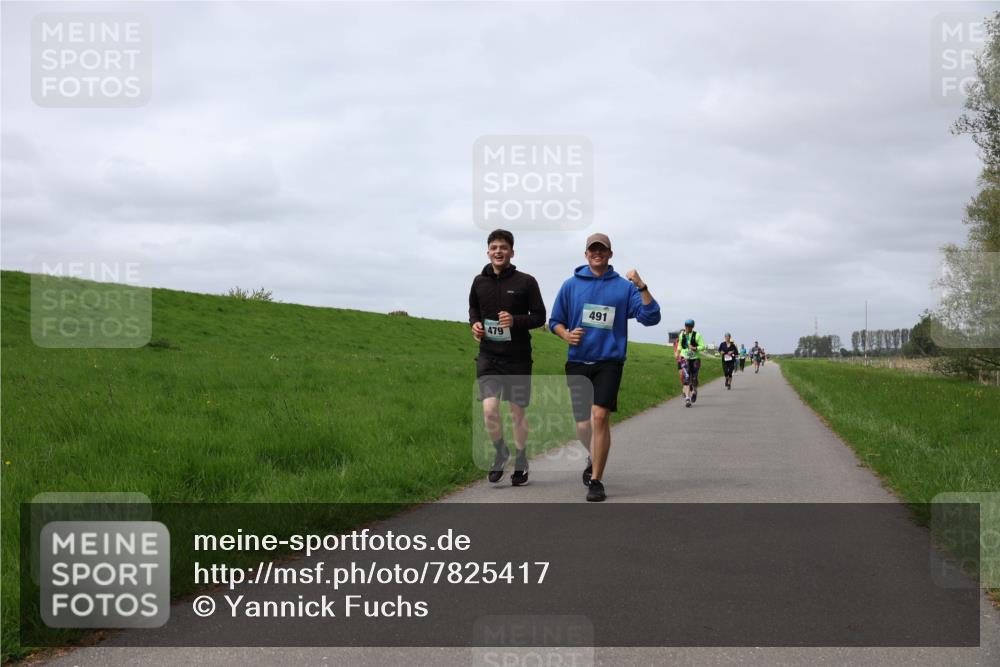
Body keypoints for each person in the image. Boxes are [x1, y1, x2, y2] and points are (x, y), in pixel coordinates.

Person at [549, 233, 660, 502]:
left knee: (600, 417)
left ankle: (596, 480)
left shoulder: (624, 287)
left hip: (608, 361)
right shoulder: (570, 285)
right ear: (586, 254)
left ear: (610, 254)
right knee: (583, 426)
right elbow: (554, 321)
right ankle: (593, 454)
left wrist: (642, 286)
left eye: (602, 249)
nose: (597, 253)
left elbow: (651, 317)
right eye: (592, 249)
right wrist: (565, 335)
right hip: (577, 361)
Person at [469, 229, 546, 486]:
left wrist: (515, 321)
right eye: (494, 247)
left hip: (517, 358)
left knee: (516, 413)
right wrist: (475, 324)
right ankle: (501, 452)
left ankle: (521, 461)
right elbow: (473, 309)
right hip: (489, 355)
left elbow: (539, 317)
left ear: (512, 252)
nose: (498, 251)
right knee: (489, 409)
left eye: (503, 247)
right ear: (488, 251)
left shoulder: (526, 282)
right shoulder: (479, 282)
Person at [678, 320, 706, 407]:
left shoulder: (697, 335)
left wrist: (695, 348)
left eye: (689, 326)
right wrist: (679, 352)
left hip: (695, 359)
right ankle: (687, 398)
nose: (687, 328)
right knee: (686, 378)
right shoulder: (682, 335)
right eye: (686, 326)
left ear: (692, 327)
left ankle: (694, 391)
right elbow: (679, 345)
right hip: (685, 359)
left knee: (694, 378)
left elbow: (703, 346)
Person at [672, 332, 688, 396]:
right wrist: (676, 355)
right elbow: (675, 350)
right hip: (679, 361)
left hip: (686, 360)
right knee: (681, 376)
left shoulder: (687, 341)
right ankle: (684, 388)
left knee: (686, 375)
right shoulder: (676, 342)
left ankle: (686, 389)